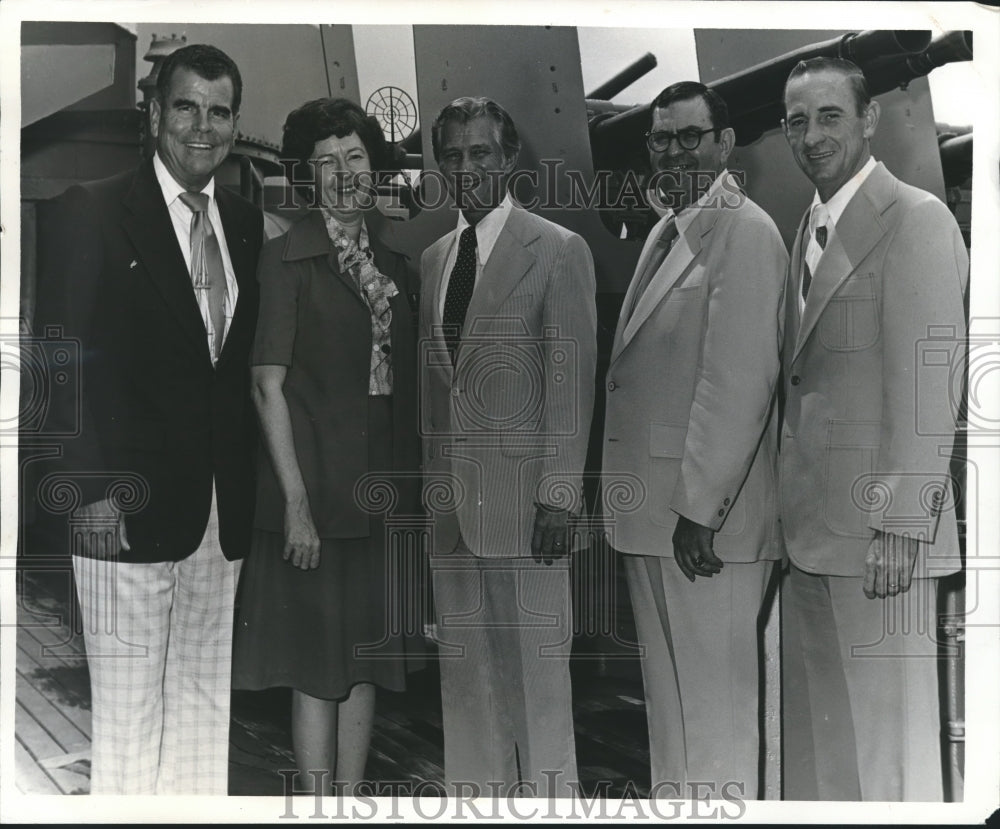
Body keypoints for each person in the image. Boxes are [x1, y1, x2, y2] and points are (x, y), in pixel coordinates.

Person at [34, 44, 262, 794]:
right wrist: (90, 489)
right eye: (186, 106)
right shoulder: (91, 209)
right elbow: (60, 362)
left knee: (201, 716)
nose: (203, 126)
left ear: (235, 123)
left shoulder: (242, 221)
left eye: (219, 110)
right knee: (128, 727)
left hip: (215, 517)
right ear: (155, 113)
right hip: (119, 509)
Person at [778, 57, 968, 800]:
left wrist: (899, 522)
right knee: (828, 758)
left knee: (891, 762)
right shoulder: (810, 225)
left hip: (880, 542)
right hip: (812, 536)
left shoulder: (915, 219)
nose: (812, 134)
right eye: (797, 120)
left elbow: (931, 384)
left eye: (830, 115)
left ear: (868, 120)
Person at [600, 81, 786, 799]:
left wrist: (698, 508)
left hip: (702, 528)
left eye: (689, 137)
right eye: (661, 139)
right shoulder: (666, 230)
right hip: (654, 521)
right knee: (673, 723)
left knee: (715, 722)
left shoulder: (743, 230)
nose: (673, 152)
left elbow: (738, 381)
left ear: (723, 144)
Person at [231, 97, 421, 794]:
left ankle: (351, 804)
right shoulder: (287, 260)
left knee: (364, 666)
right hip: (314, 505)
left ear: (374, 165)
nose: (345, 174)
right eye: (326, 163)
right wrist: (296, 506)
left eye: (356, 157)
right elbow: (265, 388)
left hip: (378, 505)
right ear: (307, 179)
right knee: (318, 673)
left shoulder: (400, 267)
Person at [419, 96, 597, 798]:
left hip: (530, 517)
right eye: (454, 155)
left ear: (510, 158)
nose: (468, 168)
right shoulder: (435, 259)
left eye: (482, 153)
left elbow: (570, 380)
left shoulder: (556, 250)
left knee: (540, 703)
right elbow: (439, 398)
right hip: (454, 520)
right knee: (468, 704)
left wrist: (560, 493)